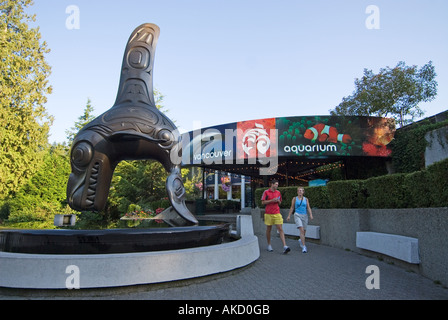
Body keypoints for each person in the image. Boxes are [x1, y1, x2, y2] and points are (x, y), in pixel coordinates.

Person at [261, 179, 290, 254]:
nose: (277, 186)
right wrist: (271, 200)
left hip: (277, 212)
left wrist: (278, 201)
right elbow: (263, 202)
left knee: (280, 228)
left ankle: (285, 246)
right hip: (268, 213)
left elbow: (280, 202)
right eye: (276, 184)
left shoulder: (278, 192)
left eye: (277, 184)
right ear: (272, 184)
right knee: (269, 229)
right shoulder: (266, 192)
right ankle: (269, 245)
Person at [287, 187, 313, 253]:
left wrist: (310, 214)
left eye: (301, 190)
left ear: (303, 192)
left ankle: (300, 240)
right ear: (297, 192)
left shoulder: (306, 199)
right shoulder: (294, 199)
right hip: (297, 215)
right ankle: (304, 247)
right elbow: (292, 207)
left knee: (304, 231)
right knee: (301, 229)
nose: (300, 192)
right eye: (298, 191)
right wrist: (289, 215)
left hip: (304, 215)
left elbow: (308, 207)